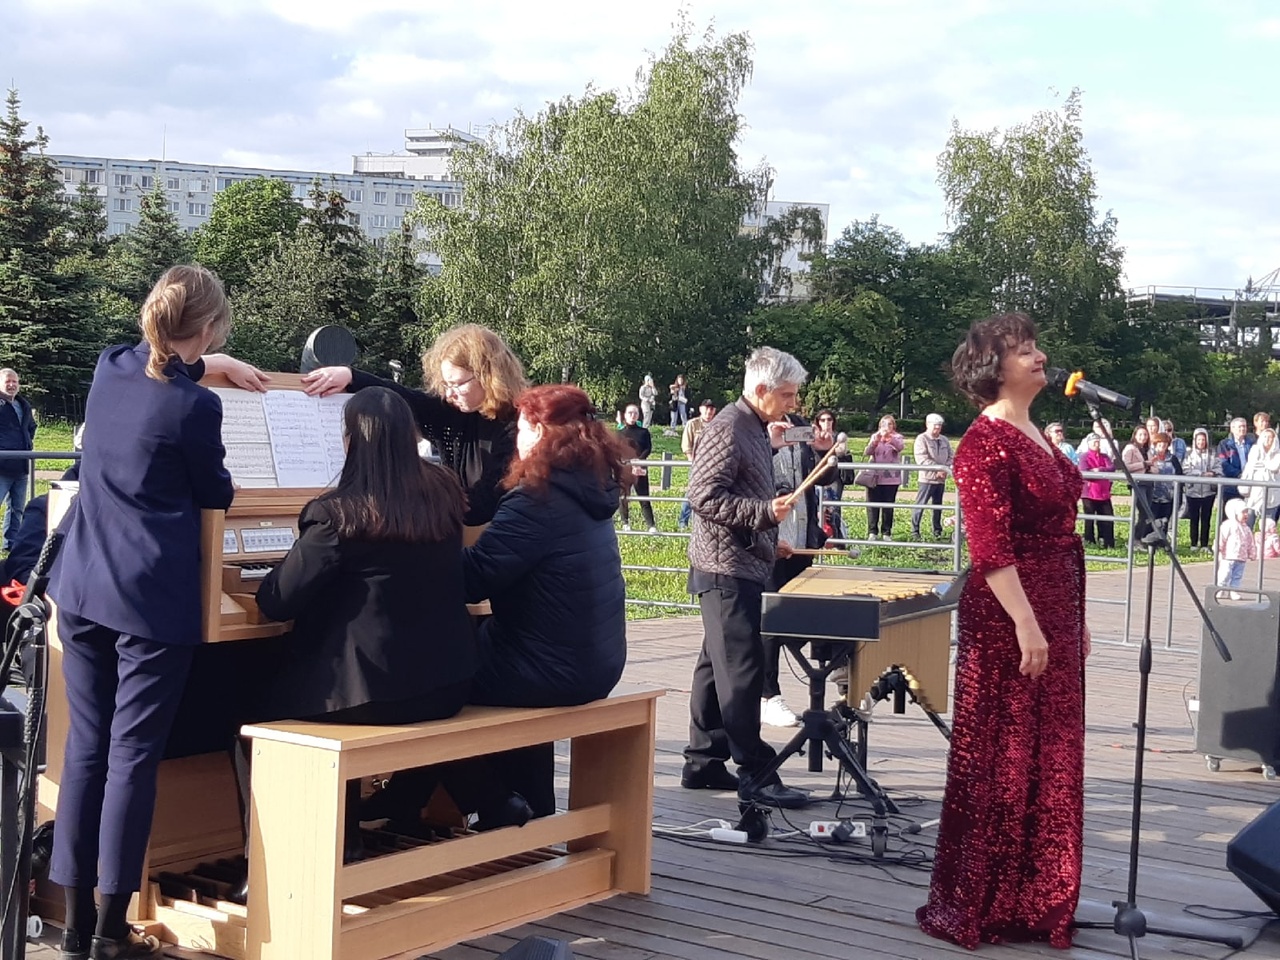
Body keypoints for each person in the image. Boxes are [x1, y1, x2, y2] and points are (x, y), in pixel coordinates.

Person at [45, 265, 268, 960]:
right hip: (149, 599)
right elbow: (216, 492)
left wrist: (209, 366)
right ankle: (112, 931)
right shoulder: (195, 409)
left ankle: (74, 927)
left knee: (87, 749)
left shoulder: (109, 366)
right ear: (210, 328)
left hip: (83, 588)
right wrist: (206, 375)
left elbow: (157, 372)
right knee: (132, 756)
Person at [234, 387, 478, 882]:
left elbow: (277, 601)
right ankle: (354, 834)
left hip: (372, 695)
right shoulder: (443, 493)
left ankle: (268, 865)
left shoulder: (337, 513)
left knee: (246, 715)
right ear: (410, 438)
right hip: (445, 685)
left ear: (349, 442)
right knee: (327, 683)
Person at [370, 384, 630, 825]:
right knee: (451, 654)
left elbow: (471, 582)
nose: (516, 440)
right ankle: (408, 798)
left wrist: (401, 553)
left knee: (425, 684)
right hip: (595, 660)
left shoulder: (537, 499)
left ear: (541, 433)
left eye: (522, 429)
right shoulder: (589, 487)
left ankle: (492, 802)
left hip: (552, 670)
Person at [917, 312, 1090, 950]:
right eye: (1024, 351)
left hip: (1056, 607)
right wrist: (1028, 624)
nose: (1039, 357)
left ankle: (1037, 897)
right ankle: (986, 899)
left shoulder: (1036, 430)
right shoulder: (983, 443)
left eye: (1036, 346)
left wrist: (1075, 620)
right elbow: (991, 550)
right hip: (1009, 615)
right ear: (994, 369)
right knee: (1006, 753)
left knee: (1052, 752)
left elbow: (1063, 534)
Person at [680, 346, 810, 810]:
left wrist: (769, 540)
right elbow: (701, 495)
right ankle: (756, 771)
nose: (793, 403)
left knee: (715, 668)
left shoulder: (753, 427)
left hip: (739, 562)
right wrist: (763, 513)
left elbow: (739, 494)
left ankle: (703, 761)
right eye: (787, 394)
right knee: (741, 671)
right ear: (760, 389)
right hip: (724, 569)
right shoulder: (729, 427)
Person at [303, 323, 528, 525]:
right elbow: (404, 398)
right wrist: (351, 376)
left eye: (457, 384)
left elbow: (482, 504)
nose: (449, 394)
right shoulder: (455, 410)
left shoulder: (521, 426)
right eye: (446, 384)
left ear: (488, 376)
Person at [760, 411, 838, 728]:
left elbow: (822, 479)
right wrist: (770, 445)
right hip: (766, 540)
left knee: (800, 616)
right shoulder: (751, 427)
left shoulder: (800, 425)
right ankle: (767, 695)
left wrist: (823, 453)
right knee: (768, 621)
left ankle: (839, 676)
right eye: (785, 393)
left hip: (801, 538)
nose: (790, 401)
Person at [0, 368, 37, 552]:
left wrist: (26, 444)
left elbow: (31, 427)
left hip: (21, 465)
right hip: (2, 465)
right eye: (8, 381)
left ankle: (11, 546)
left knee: (17, 509)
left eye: (15, 381)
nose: (12, 385)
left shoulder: (23, 405)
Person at [912, 414, 953, 539]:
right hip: (927, 479)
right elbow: (921, 458)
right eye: (935, 426)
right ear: (927, 425)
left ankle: (937, 530)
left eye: (939, 426)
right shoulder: (921, 439)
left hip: (941, 479)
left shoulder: (944, 440)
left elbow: (951, 456)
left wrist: (945, 469)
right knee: (921, 504)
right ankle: (915, 530)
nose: (937, 428)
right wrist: (937, 469)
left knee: (938, 506)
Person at [678, 399, 717, 531]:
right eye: (706, 408)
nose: (709, 411)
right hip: (697, 465)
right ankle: (683, 521)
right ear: (700, 409)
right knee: (692, 492)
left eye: (711, 408)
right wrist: (693, 462)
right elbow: (686, 445)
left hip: (714, 465)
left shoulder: (719, 424)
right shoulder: (693, 424)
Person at [863, 414, 904, 540]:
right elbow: (867, 452)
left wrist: (890, 439)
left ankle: (886, 532)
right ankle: (872, 532)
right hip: (874, 477)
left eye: (889, 424)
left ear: (893, 426)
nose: (886, 426)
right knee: (872, 505)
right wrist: (875, 441)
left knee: (888, 506)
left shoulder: (897, 437)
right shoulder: (875, 436)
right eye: (884, 424)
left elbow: (900, 448)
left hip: (891, 478)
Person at [619, 403, 657, 532]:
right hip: (626, 468)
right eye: (630, 413)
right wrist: (628, 462)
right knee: (624, 496)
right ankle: (625, 522)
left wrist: (639, 461)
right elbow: (618, 451)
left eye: (635, 413)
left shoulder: (644, 432)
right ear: (625, 415)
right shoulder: (619, 433)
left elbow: (648, 448)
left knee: (644, 496)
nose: (632, 415)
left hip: (640, 467)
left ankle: (651, 525)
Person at [1182, 428, 1218, 552]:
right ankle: (1193, 543)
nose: (1201, 442)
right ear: (1195, 440)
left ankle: (1204, 544)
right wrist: (1200, 473)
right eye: (1199, 440)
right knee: (1194, 518)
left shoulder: (1212, 454)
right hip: (1193, 491)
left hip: (1209, 491)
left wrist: (1213, 473)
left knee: (1206, 518)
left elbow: (1218, 467)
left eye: (1203, 440)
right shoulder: (1188, 454)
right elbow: (1186, 469)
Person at [1079, 433, 1115, 549]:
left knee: (1108, 517)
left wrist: (1099, 470)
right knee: (1089, 518)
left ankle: (1107, 541)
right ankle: (1089, 541)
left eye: (1098, 441)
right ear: (1088, 443)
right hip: (1089, 492)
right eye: (1094, 442)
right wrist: (1098, 474)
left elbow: (1111, 468)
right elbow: (1084, 471)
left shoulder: (1104, 456)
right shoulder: (1084, 457)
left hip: (1104, 492)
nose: (1096, 444)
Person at [1216, 498, 1255, 599]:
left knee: (1237, 575)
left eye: (1247, 512)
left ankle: (1234, 590)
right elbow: (1221, 538)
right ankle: (1220, 589)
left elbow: (1250, 542)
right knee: (1224, 573)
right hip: (1228, 556)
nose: (1246, 515)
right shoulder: (1228, 525)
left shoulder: (1246, 528)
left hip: (1241, 557)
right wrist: (1218, 548)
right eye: (1243, 512)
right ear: (1234, 513)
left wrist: (1252, 553)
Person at [1242, 426, 1280, 525]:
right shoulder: (1255, 449)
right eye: (1265, 437)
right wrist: (1267, 465)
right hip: (1253, 493)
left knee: (1268, 526)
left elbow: (1274, 466)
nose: (1267, 439)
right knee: (1248, 523)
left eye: (1270, 437)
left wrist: (1263, 464)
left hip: (1272, 496)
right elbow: (1252, 464)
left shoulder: (1278, 453)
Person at [1217, 417, 1252, 505]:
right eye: (1240, 426)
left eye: (1244, 426)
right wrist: (1239, 474)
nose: (1242, 429)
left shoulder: (1251, 444)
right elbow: (1223, 463)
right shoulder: (1224, 444)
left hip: (1249, 485)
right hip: (1231, 486)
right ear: (1232, 429)